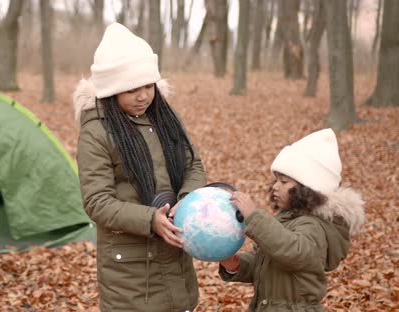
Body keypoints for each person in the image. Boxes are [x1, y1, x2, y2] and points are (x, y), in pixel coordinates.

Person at [73, 23, 207, 312]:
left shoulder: (164, 117)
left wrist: (188, 200)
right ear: (111, 89)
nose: (143, 96)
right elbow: (97, 202)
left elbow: (192, 164)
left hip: (175, 258)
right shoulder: (97, 132)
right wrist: (150, 220)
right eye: (132, 89)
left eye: (148, 86)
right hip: (130, 274)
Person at [219, 128, 366, 311]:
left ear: (307, 189)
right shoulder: (286, 219)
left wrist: (254, 216)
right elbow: (266, 262)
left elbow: (293, 252)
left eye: (284, 182)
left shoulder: (313, 226)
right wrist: (236, 265)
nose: (275, 187)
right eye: (276, 180)